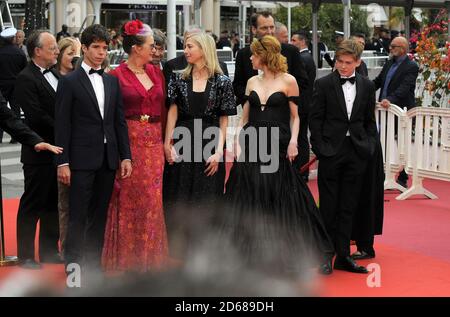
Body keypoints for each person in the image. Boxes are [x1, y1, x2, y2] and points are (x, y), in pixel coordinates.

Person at [222, 35, 333, 276]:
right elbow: (245, 116)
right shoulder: (251, 81)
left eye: (253, 54)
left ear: (264, 55)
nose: (250, 58)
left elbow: (296, 116)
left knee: (281, 195)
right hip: (252, 141)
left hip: (278, 141)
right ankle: (248, 254)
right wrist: (237, 139)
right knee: (248, 194)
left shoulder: (289, 80)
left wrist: (294, 142)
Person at [55, 24, 132, 277]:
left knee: (99, 216)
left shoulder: (111, 81)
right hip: (80, 160)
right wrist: (62, 162)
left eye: (104, 48)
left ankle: (94, 267)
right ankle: (74, 270)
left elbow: (118, 121)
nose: (101, 53)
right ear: (84, 48)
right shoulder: (69, 82)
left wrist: (125, 156)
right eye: (96, 47)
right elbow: (62, 125)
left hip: (108, 160)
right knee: (78, 217)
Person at [163, 32, 237, 259]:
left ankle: (205, 248)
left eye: (189, 47)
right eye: (185, 47)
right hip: (183, 139)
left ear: (204, 49)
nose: (185, 51)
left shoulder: (222, 80)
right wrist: (168, 143)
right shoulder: (178, 79)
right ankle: (179, 248)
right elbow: (173, 112)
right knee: (180, 192)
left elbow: (225, 119)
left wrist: (218, 152)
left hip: (210, 140)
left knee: (208, 195)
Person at [102, 20, 168, 272]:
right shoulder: (115, 76)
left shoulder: (155, 72)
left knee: (153, 200)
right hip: (129, 142)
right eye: (151, 45)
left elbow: (162, 108)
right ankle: (126, 259)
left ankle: (150, 259)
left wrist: (165, 141)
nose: (155, 50)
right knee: (128, 198)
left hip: (154, 141)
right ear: (136, 48)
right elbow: (110, 117)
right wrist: (116, 151)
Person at [309, 39, 378, 274]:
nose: (343, 67)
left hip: (357, 151)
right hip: (331, 151)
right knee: (329, 206)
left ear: (358, 62)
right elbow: (315, 119)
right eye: (340, 62)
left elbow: (369, 121)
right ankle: (326, 256)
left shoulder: (368, 87)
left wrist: (368, 145)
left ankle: (343, 256)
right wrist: (320, 148)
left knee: (349, 206)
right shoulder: (324, 83)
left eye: (348, 63)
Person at [14, 30, 62, 269]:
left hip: (57, 149)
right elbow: (36, 116)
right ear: (38, 51)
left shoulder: (53, 73)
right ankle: (25, 255)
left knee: (53, 202)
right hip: (38, 150)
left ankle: (50, 250)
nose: (56, 51)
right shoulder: (26, 78)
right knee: (33, 203)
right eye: (52, 47)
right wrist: (64, 127)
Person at [233, 12, 309, 108]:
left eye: (272, 27)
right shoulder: (243, 54)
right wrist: (253, 99)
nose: (269, 31)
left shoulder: (291, 51)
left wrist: (282, 100)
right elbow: (237, 85)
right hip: (253, 113)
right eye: (264, 28)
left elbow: (302, 82)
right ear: (254, 29)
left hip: (283, 114)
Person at [373, 36, 419, 188]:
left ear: (403, 49)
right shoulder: (388, 63)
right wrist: (362, 89)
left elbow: (405, 88)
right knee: (382, 142)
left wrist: (390, 99)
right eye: (390, 46)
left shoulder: (411, 66)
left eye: (393, 46)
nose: (390, 48)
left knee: (403, 144)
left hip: (402, 111)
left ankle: (403, 177)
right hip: (385, 111)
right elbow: (378, 81)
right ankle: (383, 174)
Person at [54, 36, 80, 261]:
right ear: (60, 54)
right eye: (70, 52)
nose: (74, 57)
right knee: (65, 203)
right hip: (61, 148)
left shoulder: (80, 77)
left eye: (77, 53)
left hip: (84, 148)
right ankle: (65, 246)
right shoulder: (56, 78)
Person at [163, 26, 229, 88]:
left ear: (203, 44)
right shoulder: (172, 66)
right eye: (187, 39)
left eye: (196, 39)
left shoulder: (221, 68)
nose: (191, 40)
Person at [291, 31, 316, 180]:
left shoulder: (303, 58)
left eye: (294, 40)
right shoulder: (307, 57)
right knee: (301, 137)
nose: (291, 42)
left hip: (301, 105)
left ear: (302, 42)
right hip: (305, 104)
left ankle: (301, 170)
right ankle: (302, 170)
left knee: (300, 138)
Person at [0, 27, 27, 143]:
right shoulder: (20, 52)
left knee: (1, 110)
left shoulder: (0, 52)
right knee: (15, 110)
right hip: (16, 84)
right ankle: (15, 136)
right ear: (13, 39)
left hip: (1, 84)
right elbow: (24, 70)